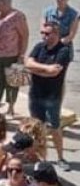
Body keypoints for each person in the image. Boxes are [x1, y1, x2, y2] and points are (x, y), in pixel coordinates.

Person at [24, 20, 71, 168]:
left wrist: (37, 69)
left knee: (55, 127)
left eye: (47, 33)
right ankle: (39, 157)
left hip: (52, 96)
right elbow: (28, 63)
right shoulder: (39, 47)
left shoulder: (63, 50)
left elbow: (54, 72)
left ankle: (60, 158)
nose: (44, 36)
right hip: (35, 94)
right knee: (37, 127)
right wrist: (45, 68)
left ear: (56, 34)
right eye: (42, 33)